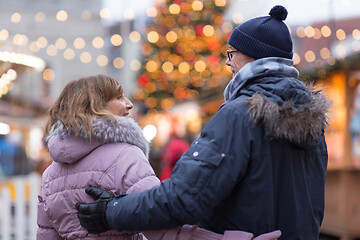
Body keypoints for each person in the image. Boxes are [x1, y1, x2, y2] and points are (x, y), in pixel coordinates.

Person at [77, 5, 330, 239]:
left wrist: (111, 210)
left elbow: (184, 198)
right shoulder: (313, 123)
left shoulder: (239, 115)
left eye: (232, 54)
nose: (228, 61)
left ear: (254, 57)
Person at [37, 74, 277, 240]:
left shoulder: (50, 174)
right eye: (120, 97)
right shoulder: (125, 156)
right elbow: (164, 230)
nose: (129, 104)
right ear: (96, 106)